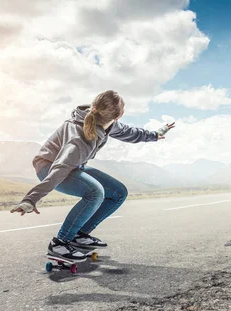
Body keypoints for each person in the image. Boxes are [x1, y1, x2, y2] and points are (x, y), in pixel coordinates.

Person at [10, 90, 175, 262]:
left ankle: (79, 235)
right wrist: (31, 199)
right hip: (49, 167)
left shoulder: (107, 123)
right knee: (95, 192)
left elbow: (130, 133)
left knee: (118, 192)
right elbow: (60, 168)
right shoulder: (79, 139)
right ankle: (60, 243)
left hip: (73, 165)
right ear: (119, 114)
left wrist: (155, 134)